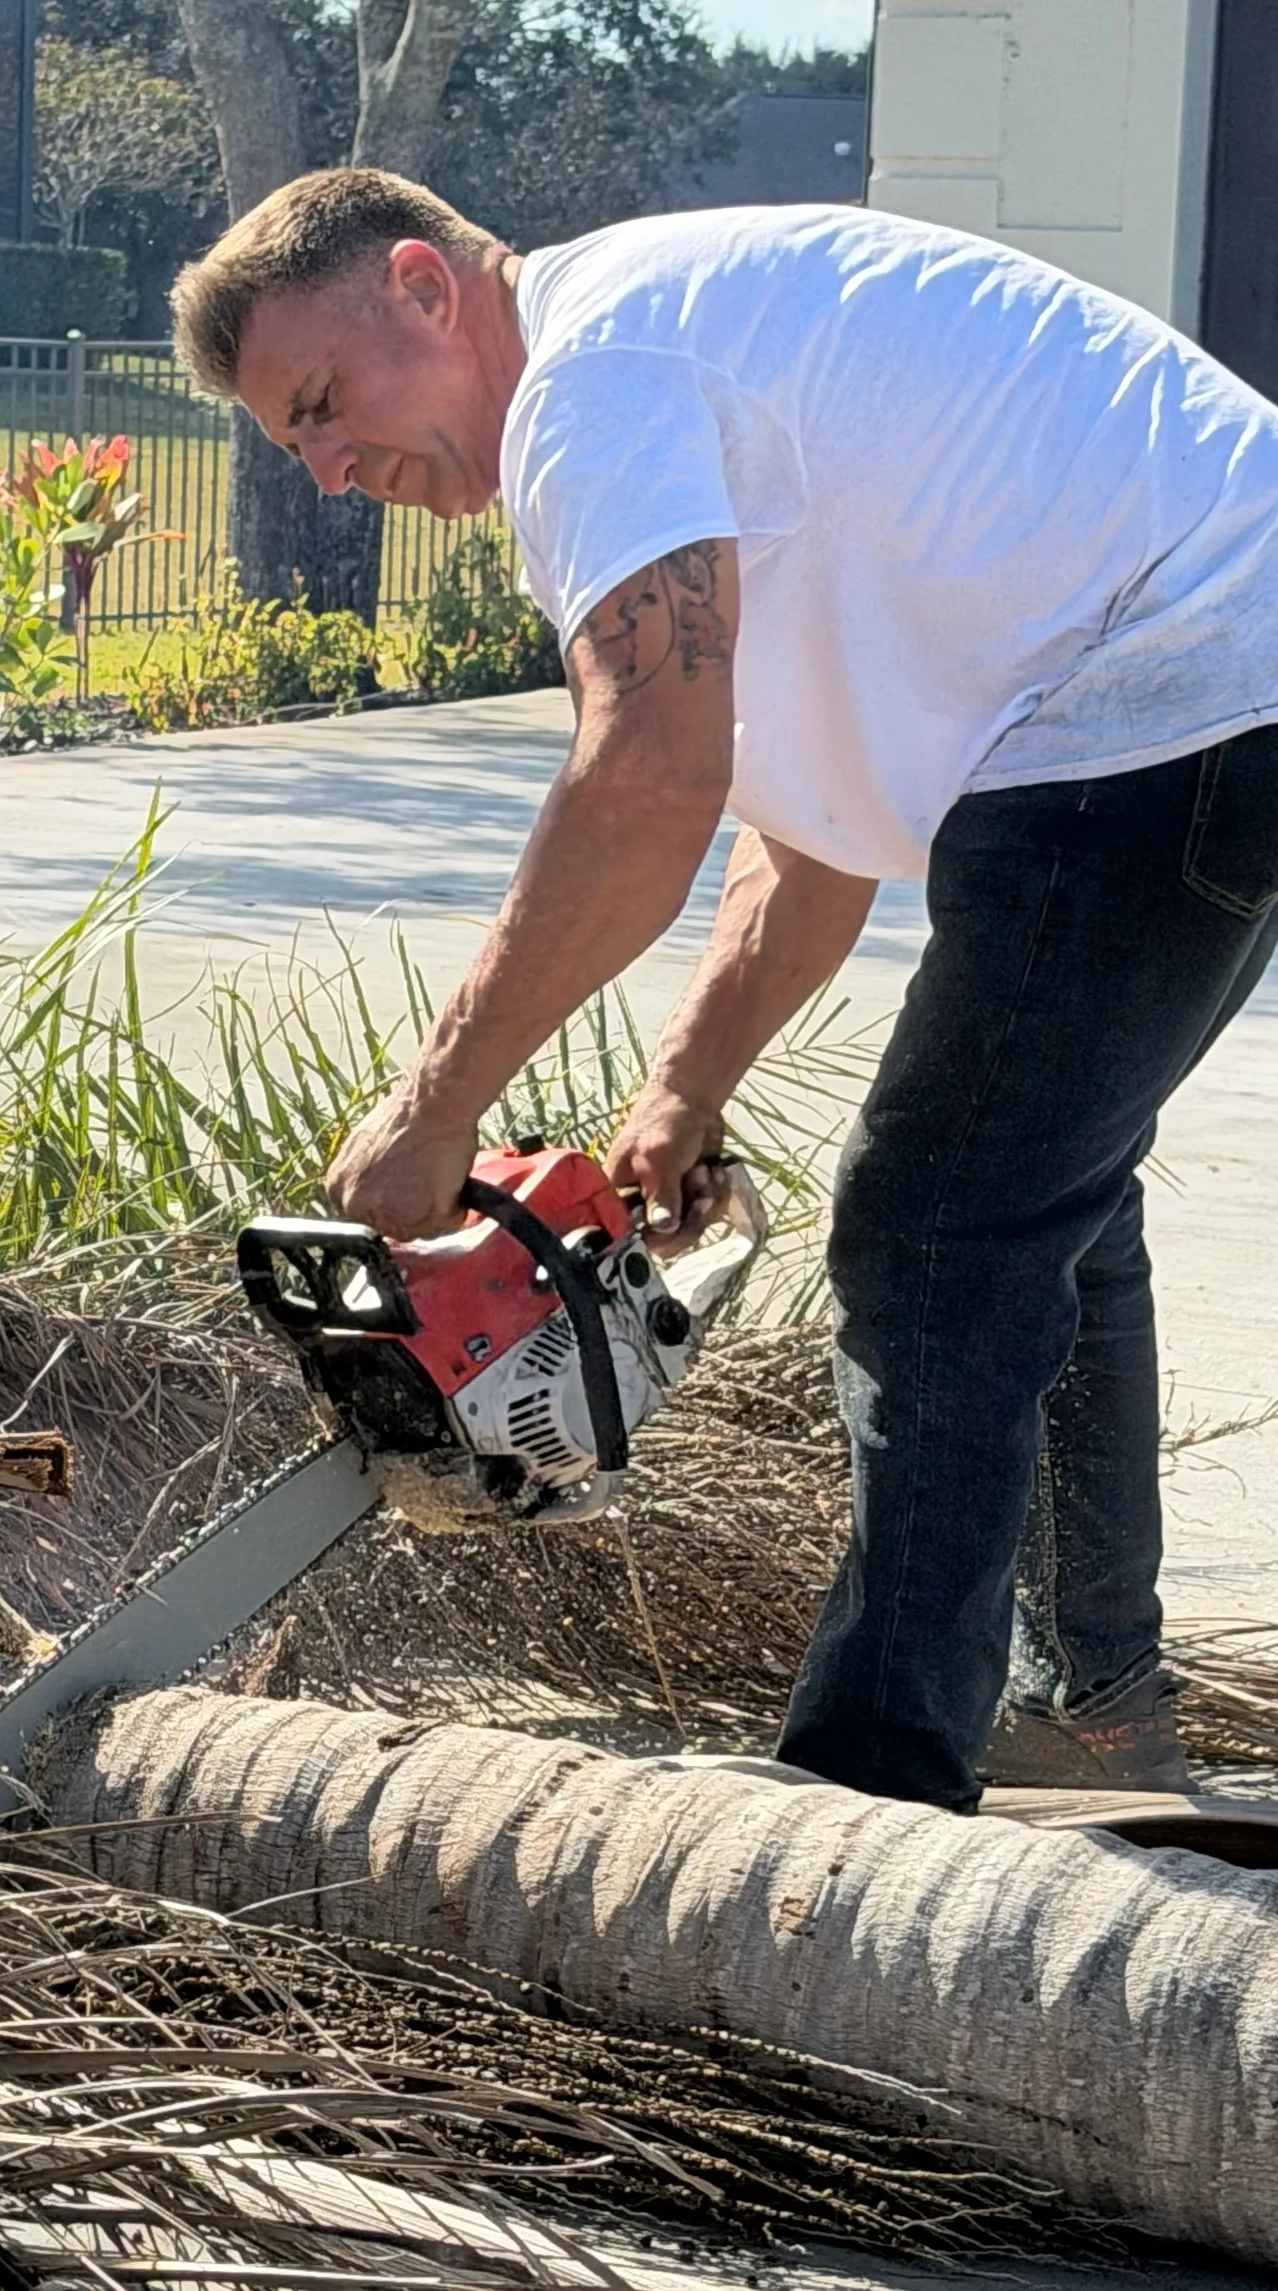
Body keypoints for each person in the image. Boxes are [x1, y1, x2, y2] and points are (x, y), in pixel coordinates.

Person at [169, 168, 1278, 1812]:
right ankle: (1097, 1711)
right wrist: (683, 1093)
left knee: (935, 1224)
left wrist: (436, 1109)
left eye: (324, 408)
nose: (332, 474)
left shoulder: (591, 386)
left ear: (423, 285)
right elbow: (799, 816)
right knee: (1036, 1191)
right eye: (297, 448)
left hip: (1173, 671)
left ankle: (872, 1788)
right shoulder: (653, 352)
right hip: (1197, 669)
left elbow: (645, 779)